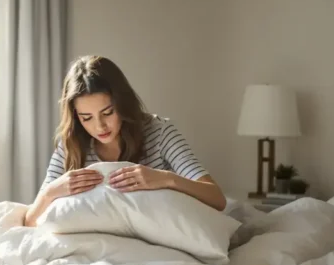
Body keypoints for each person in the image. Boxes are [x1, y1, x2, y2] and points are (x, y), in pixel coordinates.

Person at [24, 55, 227, 227]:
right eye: (87, 118)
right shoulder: (71, 145)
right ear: (77, 117)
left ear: (122, 103)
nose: (100, 126)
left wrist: (165, 179)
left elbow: (217, 199)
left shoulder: (159, 132)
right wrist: (52, 191)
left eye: (108, 112)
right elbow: (31, 220)